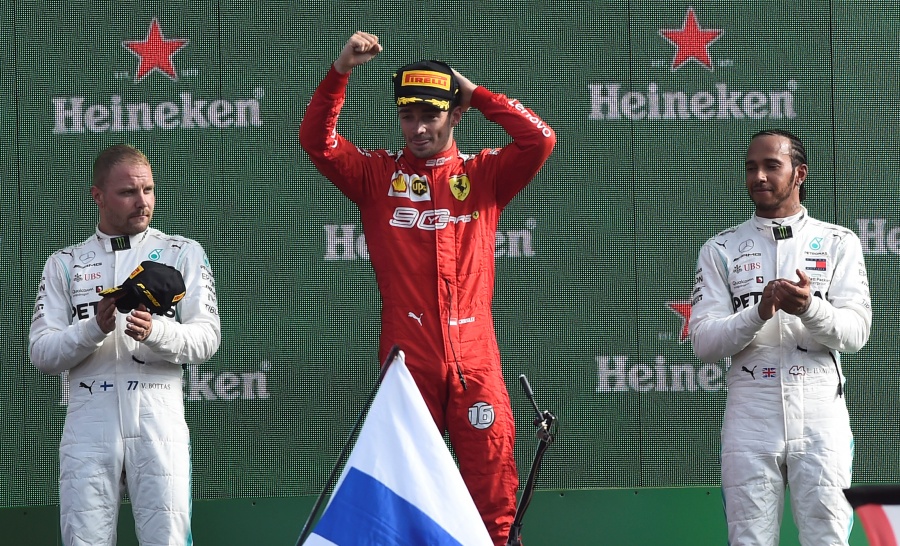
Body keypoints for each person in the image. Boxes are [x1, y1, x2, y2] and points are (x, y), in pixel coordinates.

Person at [300, 31, 555, 545]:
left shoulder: (484, 175)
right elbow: (318, 143)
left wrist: (476, 92)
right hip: (406, 358)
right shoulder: (378, 178)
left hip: (476, 359)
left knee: (495, 504)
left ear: (453, 115)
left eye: (430, 116)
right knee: (401, 494)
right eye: (407, 117)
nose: (416, 128)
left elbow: (540, 140)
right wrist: (340, 71)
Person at [29, 144, 221, 546]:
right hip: (88, 420)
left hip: (158, 416)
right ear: (98, 195)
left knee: (167, 540)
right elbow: (42, 352)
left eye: (148, 190)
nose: (142, 201)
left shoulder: (182, 252)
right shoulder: (65, 262)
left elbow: (207, 338)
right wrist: (91, 329)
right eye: (128, 193)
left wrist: (156, 332)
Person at [689, 129, 872, 545]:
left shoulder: (839, 241)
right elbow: (704, 342)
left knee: (827, 537)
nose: (760, 176)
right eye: (752, 167)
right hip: (751, 411)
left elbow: (855, 333)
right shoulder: (721, 248)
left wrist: (809, 307)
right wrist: (759, 312)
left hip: (821, 409)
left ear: (799, 173)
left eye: (772, 165)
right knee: (749, 539)